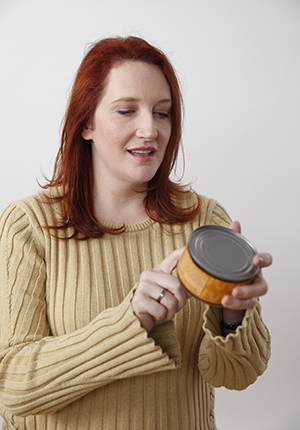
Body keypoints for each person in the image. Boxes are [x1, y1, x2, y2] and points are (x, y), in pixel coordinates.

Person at [0, 36, 272, 430]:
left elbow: (237, 376)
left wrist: (233, 312)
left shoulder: (204, 219)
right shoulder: (29, 226)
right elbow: (11, 384)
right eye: (127, 110)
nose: (150, 129)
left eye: (162, 113)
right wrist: (132, 323)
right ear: (87, 122)